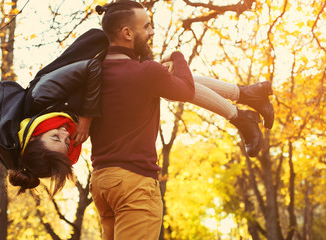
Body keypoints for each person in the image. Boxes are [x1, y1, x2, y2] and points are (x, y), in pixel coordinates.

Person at [89, 1, 273, 239]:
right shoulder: (145, 72)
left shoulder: (94, 70)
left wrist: (161, 71)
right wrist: (177, 56)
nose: (152, 32)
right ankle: (245, 106)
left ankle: (248, 97)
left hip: (103, 183)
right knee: (172, 76)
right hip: (133, 185)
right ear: (127, 33)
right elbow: (186, 89)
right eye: (147, 27)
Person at [8, 29, 110, 197]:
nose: (65, 133)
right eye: (67, 142)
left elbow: (92, 67)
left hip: (108, 41)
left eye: (55, 137)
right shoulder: (65, 122)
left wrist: (87, 118)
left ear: (33, 137)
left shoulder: (40, 97)